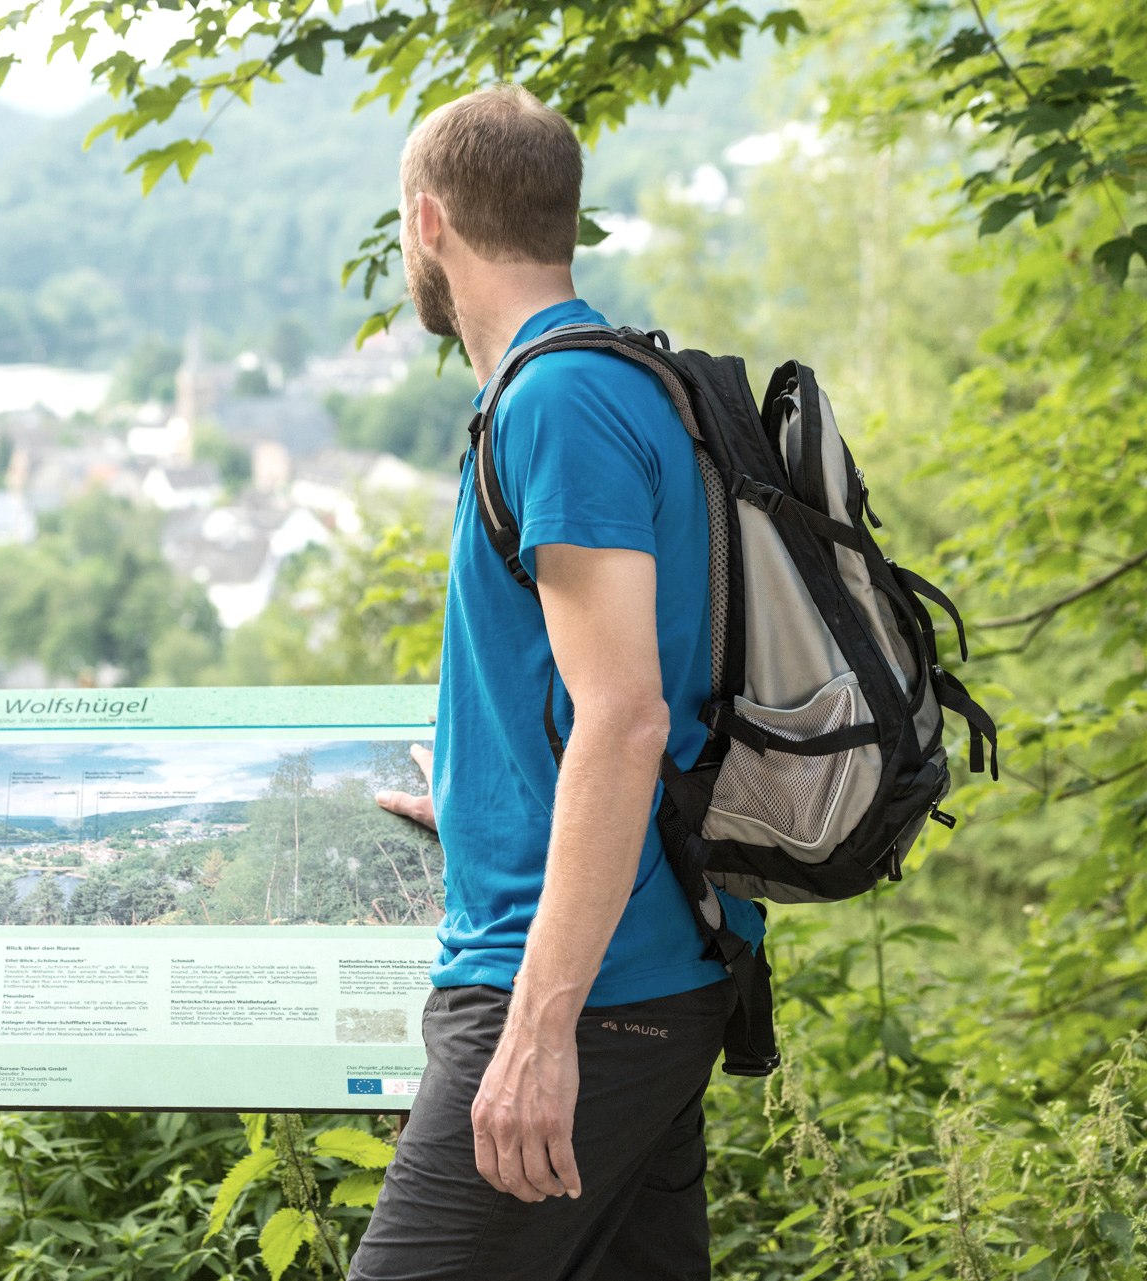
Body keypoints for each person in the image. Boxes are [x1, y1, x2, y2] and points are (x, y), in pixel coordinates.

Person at [355, 87, 767, 1280]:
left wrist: (538, 1030)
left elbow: (627, 716)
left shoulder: (559, 401)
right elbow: (619, 684)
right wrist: (484, 799)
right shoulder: (606, 383)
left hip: (578, 991)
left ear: (427, 222)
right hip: (640, 971)